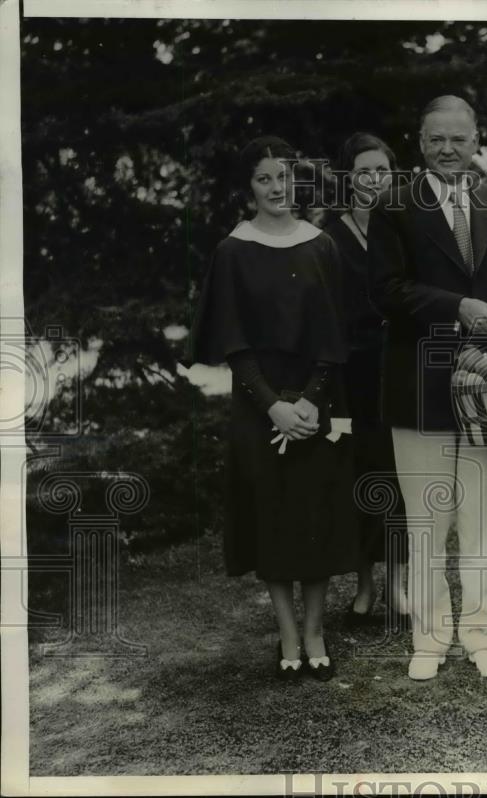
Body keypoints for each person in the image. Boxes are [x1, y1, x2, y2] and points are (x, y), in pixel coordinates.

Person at [367, 96, 487, 681]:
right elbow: (384, 291)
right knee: (427, 521)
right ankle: (430, 639)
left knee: (483, 518)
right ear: (420, 140)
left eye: (459, 139)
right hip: (419, 383)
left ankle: (482, 634)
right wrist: (456, 307)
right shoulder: (393, 204)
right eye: (436, 139)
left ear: (476, 138)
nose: (447, 149)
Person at [185, 136, 359, 682]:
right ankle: (286, 634)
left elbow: (335, 334)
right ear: (249, 188)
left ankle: (315, 632)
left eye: (284, 178)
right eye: (265, 179)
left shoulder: (321, 246)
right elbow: (234, 344)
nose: (277, 189)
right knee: (273, 520)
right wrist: (273, 408)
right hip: (258, 405)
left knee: (315, 517)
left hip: (318, 402)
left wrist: (309, 401)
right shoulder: (232, 251)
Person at [325, 132, 409, 627]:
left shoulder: (406, 227)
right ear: (348, 179)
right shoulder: (330, 238)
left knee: (400, 478)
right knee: (359, 476)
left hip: (398, 367)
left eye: (382, 170)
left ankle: (397, 583)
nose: (374, 179)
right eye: (364, 171)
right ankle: (363, 585)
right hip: (352, 375)